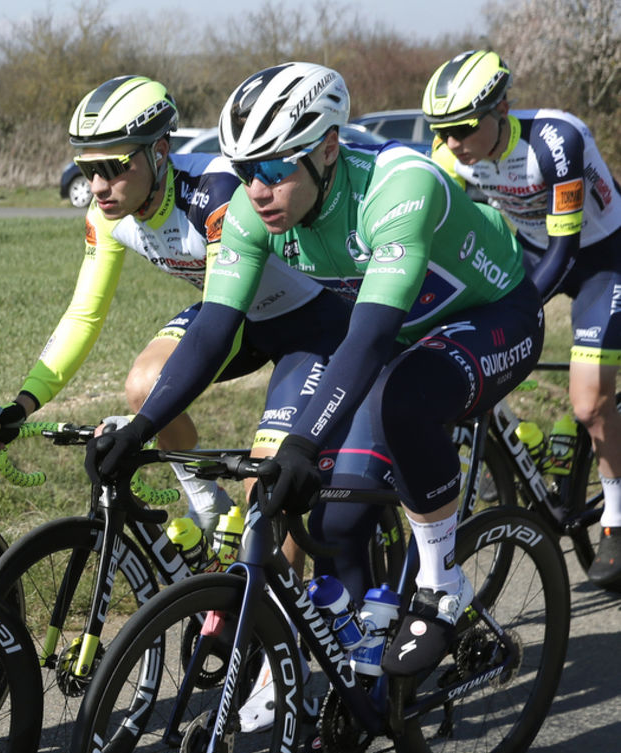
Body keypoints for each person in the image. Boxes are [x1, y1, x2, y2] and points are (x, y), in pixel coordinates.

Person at [88, 62, 543, 680]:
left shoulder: (398, 188)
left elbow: (369, 337)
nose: (256, 190)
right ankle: (360, 692)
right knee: (333, 517)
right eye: (245, 171)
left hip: (495, 314)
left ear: (328, 149)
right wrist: (141, 428)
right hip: (407, 332)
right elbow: (215, 328)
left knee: (401, 401)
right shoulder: (252, 213)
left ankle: (444, 582)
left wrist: (302, 440)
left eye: (273, 168)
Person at [0, 75, 348, 542]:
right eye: (87, 169)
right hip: (232, 316)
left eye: (112, 166)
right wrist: (22, 404)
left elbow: (220, 320)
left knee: (267, 486)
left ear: (160, 150)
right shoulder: (106, 216)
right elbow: (84, 312)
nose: (98, 185)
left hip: (307, 323)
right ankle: (207, 504)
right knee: (145, 383)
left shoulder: (215, 191)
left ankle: (277, 608)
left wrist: (146, 425)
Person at [422, 49, 621, 591]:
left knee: (588, 399)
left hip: (600, 257)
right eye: (441, 130)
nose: (453, 141)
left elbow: (566, 249)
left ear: (502, 107)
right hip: (528, 251)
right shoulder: (448, 156)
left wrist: (511, 309)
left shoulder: (557, 142)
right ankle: (520, 442)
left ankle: (617, 516)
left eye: (463, 126)